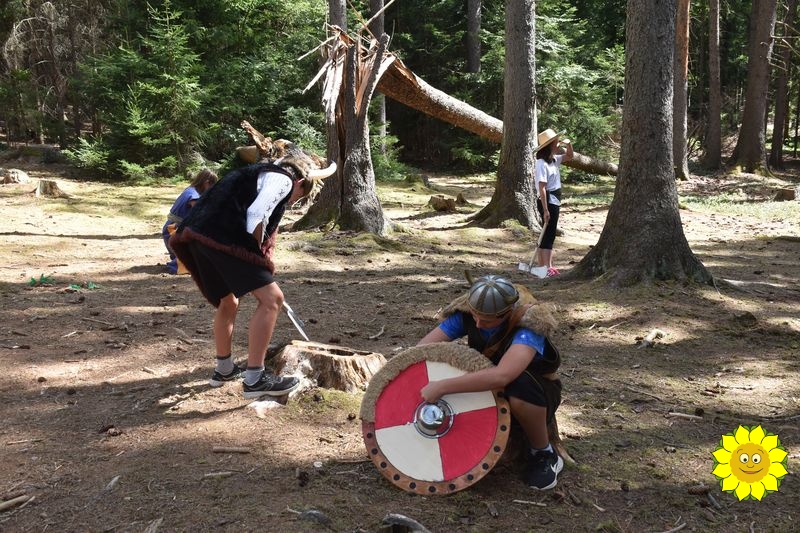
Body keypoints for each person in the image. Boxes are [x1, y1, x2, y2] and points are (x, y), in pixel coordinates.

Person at [169, 147, 336, 399]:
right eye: (299, 197)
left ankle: (224, 369)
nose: (293, 202)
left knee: (228, 301)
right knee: (272, 300)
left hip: (195, 237)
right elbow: (256, 215)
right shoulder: (283, 179)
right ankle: (255, 379)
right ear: (300, 182)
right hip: (222, 238)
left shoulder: (255, 174)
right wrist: (256, 257)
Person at [417, 274, 564, 490]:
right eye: (475, 316)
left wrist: (442, 386)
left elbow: (503, 375)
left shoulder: (528, 328)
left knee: (519, 385)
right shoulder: (470, 314)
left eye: (486, 321)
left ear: (506, 313)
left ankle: (543, 452)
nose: (477, 324)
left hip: (532, 392)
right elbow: (422, 350)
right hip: (487, 387)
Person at [533, 128, 573, 277]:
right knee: (548, 234)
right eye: (556, 143)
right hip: (547, 201)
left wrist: (568, 144)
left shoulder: (554, 160)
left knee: (549, 233)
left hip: (554, 199)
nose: (558, 145)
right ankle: (545, 267)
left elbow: (570, 156)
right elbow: (542, 188)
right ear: (549, 146)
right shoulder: (541, 163)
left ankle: (544, 266)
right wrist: (545, 210)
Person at [162, 169, 218, 274]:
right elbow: (200, 215)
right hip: (173, 231)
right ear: (206, 183)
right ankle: (178, 263)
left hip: (171, 230)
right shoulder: (194, 196)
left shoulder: (190, 190)